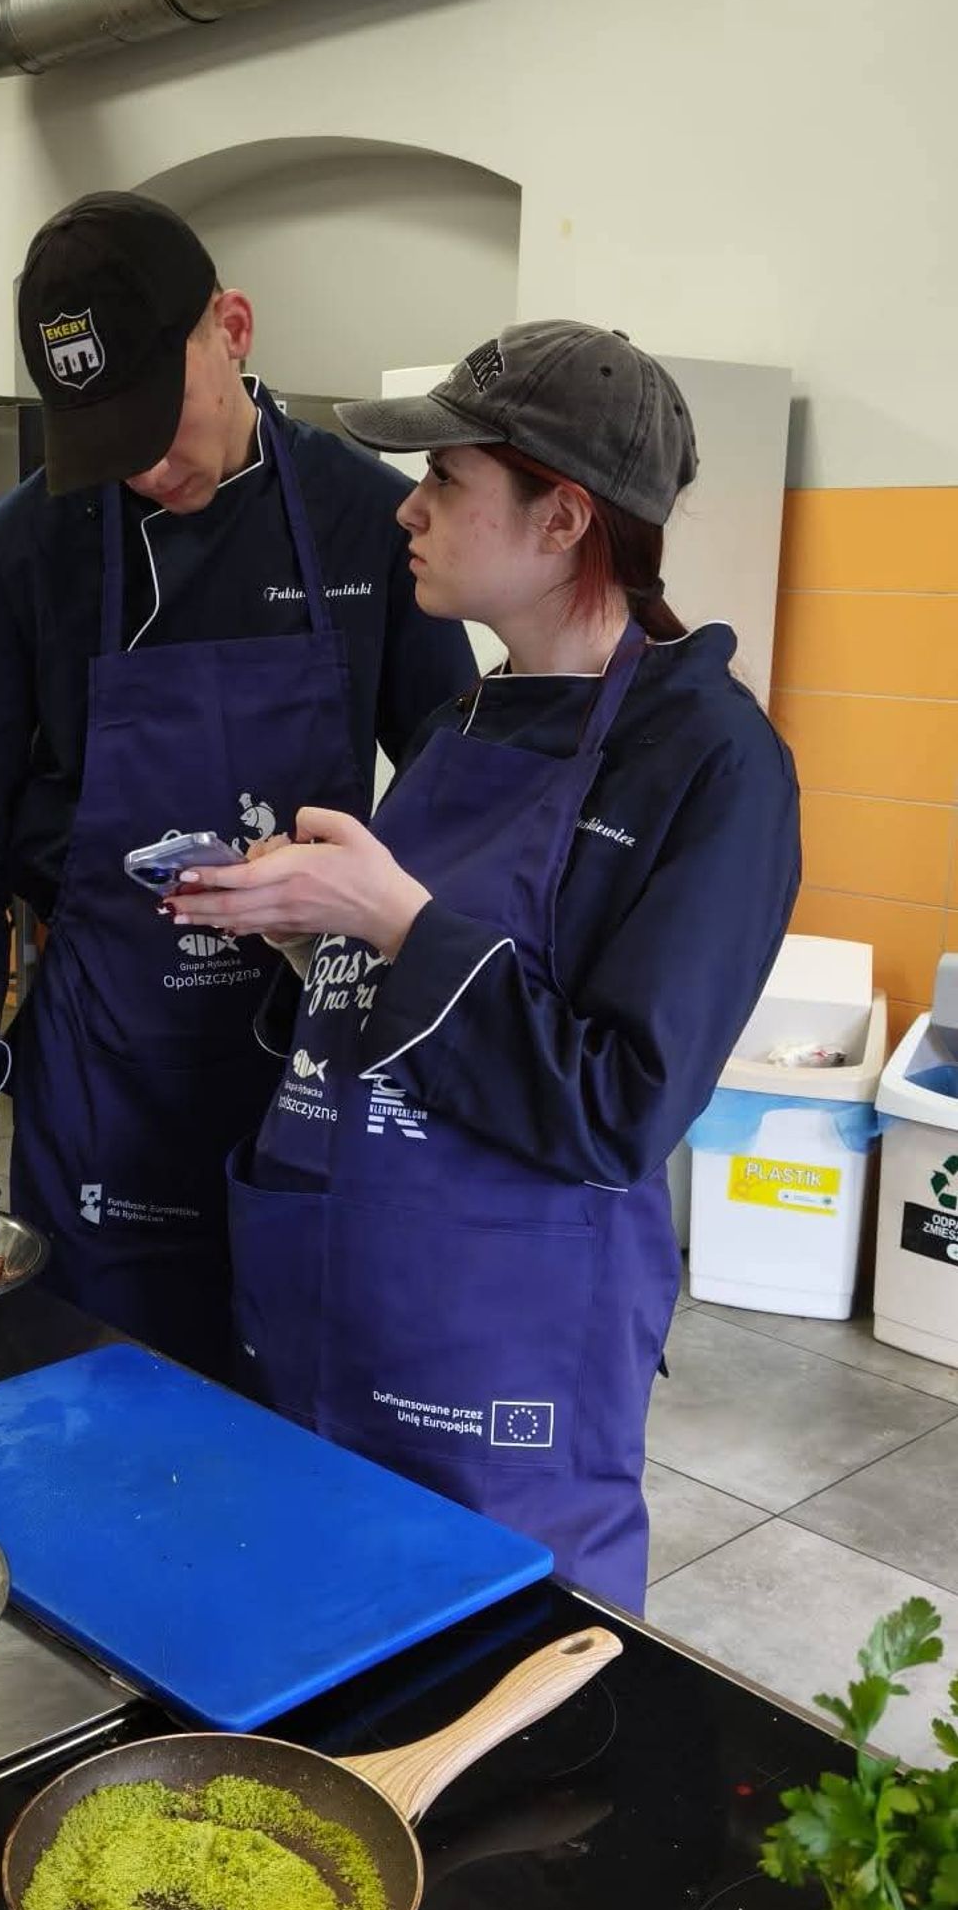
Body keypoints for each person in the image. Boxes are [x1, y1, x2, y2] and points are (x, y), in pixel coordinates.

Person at [167, 321, 800, 1608]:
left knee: (492, 1674)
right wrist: (312, 933)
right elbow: (424, 994)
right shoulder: (462, 717)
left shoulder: (713, 762)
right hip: (332, 1301)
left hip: (499, 1366)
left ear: (562, 518)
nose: (409, 509)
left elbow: (616, 1106)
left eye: (446, 479)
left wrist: (398, 921)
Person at [0, 192, 476, 1375]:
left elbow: (450, 790)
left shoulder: (365, 514)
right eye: (109, 439)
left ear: (234, 329)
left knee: (292, 1399)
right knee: (102, 1398)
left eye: (161, 421)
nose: (149, 467)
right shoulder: (30, 543)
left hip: (310, 1056)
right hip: (105, 1080)